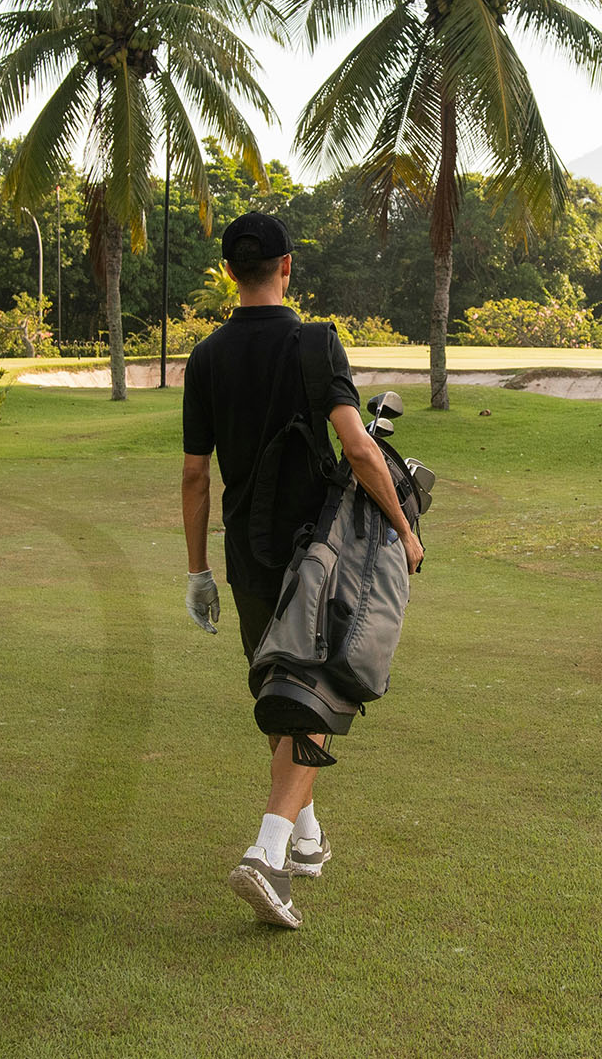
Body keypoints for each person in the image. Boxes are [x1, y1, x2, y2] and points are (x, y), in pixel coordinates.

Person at [180, 212, 425, 929]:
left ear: (231, 272)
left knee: (284, 693)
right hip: (318, 554)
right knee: (313, 696)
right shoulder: (314, 343)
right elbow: (358, 446)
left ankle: (307, 839)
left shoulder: (206, 358)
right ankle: (268, 853)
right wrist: (405, 532)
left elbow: (196, 476)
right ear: (288, 267)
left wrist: (197, 572)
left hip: (246, 557)